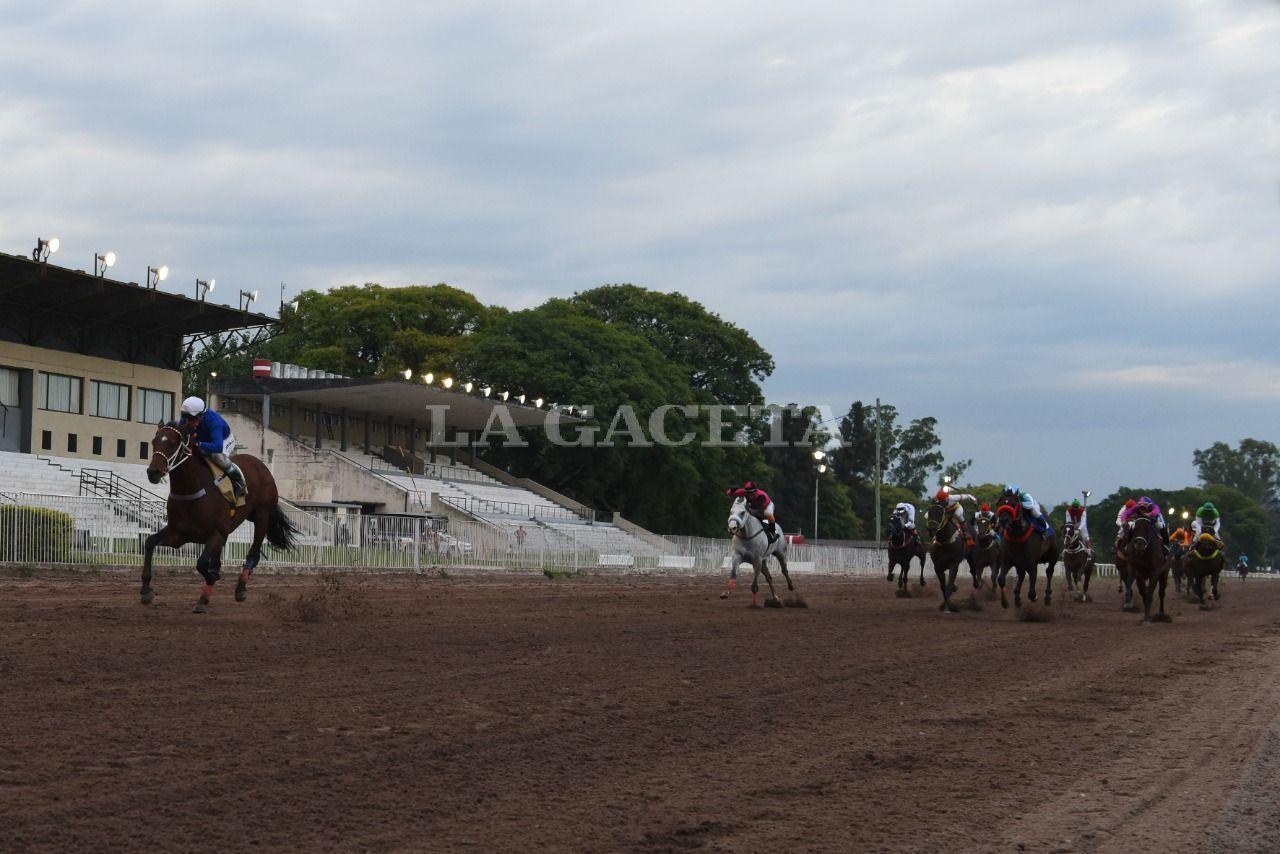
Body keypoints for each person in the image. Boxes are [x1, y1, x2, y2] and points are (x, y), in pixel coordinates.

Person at [178, 396, 247, 497]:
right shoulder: (188, 417)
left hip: (223, 441)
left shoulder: (214, 422)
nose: (187, 421)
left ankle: (238, 480)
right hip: (203, 439)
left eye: (191, 418)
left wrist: (197, 444)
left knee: (216, 456)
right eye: (185, 417)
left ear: (200, 416)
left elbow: (218, 447)